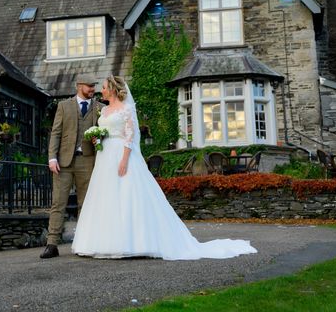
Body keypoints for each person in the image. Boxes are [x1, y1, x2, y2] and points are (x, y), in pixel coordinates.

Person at [71, 75, 257, 260]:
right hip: (105, 157)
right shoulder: (103, 112)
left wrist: (124, 160)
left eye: (103, 87)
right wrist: (97, 139)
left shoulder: (126, 109)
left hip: (121, 154)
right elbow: (106, 133)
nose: (100, 90)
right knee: (106, 196)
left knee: (128, 194)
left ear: (112, 89)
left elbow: (129, 136)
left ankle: (133, 242)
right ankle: (101, 241)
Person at [40, 74, 104, 259]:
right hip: (64, 162)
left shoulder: (100, 108)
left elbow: (105, 133)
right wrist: (52, 158)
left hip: (88, 160)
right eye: (89, 86)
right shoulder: (63, 106)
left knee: (86, 204)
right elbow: (56, 133)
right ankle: (52, 244)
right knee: (58, 203)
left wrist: (99, 139)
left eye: (94, 86)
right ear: (79, 86)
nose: (93, 89)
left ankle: (84, 242)